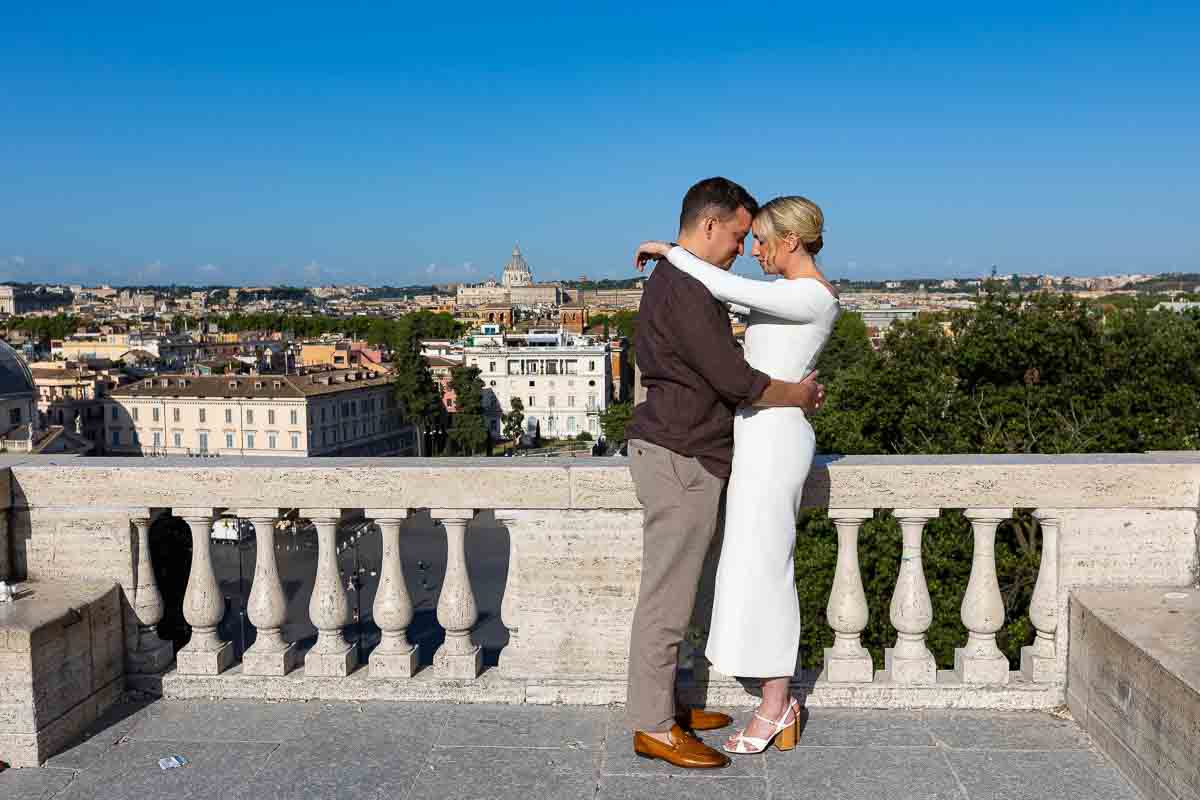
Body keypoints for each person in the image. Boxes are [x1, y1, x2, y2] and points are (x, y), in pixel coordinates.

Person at [623, 178, 825, 769]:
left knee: (686, 590)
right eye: (739, 235)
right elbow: (733, 378)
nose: (742, 249)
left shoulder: (684, 281)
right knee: (667, 597)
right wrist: (798, 393)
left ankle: (674, 704)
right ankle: (654, 726)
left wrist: (671, 251)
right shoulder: (686, 287)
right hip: (680, 453)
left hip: (685, 450)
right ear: (710, 226)